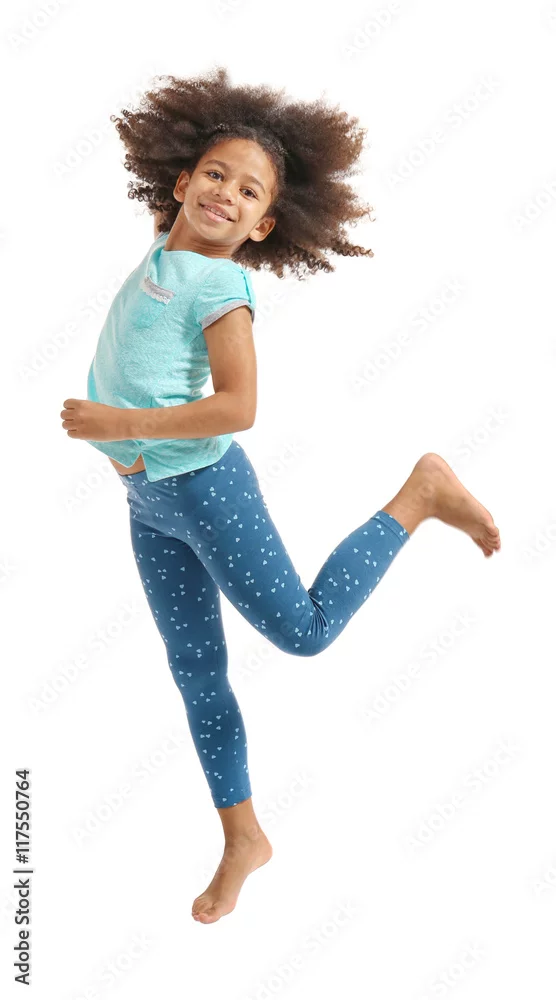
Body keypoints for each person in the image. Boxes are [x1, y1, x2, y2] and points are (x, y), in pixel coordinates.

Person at [59, 66, 501, 924]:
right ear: (180, 184)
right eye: (214, 174)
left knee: (304, 632)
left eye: (249, 191)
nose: (225, 194)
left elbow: (239, 407)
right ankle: (243, 836)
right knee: (195, 670)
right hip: (148, 504)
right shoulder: (168, 247)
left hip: (205, 489)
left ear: (264, 225)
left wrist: (117, 422)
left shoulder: (222, 286)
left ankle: (420, 494)